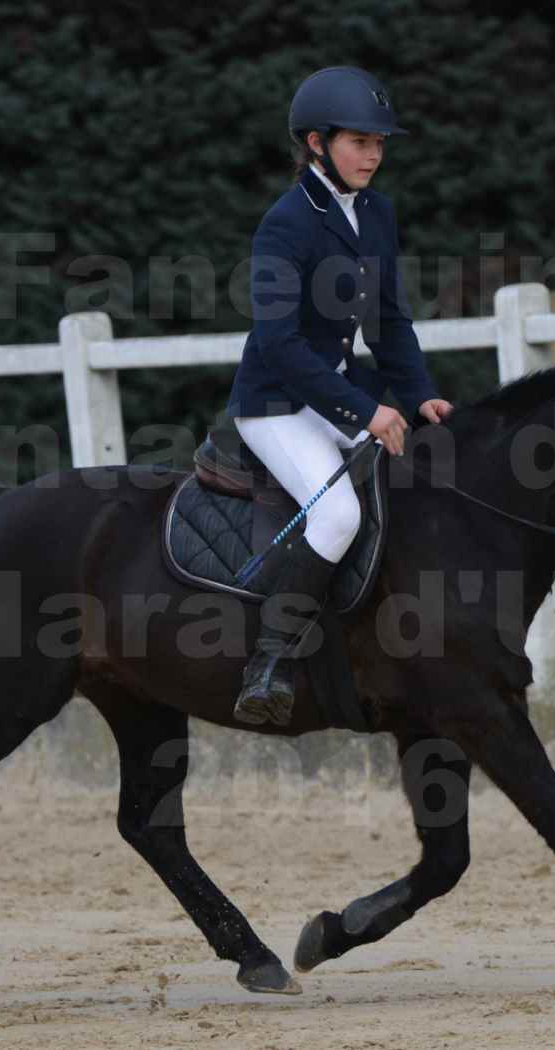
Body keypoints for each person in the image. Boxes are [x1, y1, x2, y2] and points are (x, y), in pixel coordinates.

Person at [224, 66, 453, 726]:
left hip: (335, 395)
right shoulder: (285, 224)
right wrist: (367, 410)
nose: (374, 155)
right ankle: (267, 662)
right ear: (317, 143)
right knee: (336, 517)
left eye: (380, 143)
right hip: (275, 405)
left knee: (416, 486)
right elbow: (279, 346)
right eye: (359, 141)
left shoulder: (375, 213)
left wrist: (419, 396)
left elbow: (388, 319)